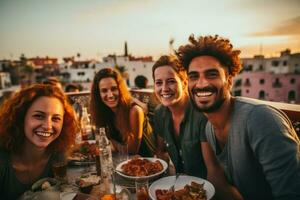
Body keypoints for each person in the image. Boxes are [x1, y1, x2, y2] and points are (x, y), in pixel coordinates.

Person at [177, 34, 300, 199]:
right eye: (193, 76)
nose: (201, 83)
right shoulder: (209, 129)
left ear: (229, 80)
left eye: (211, 74)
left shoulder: (261, 119)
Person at [0, 84, 79, 199]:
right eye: (39, 116)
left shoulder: (58, 155)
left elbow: (63, 193)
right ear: (21, 118)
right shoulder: (2, 161)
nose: (48, 126)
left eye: (56, 118)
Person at [152, 55, 207, 178]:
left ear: (184, 82)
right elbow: (161, 151)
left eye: (171, 81)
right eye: (159, 83)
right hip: (176, 183)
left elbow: (213, 168)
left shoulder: (201, 115)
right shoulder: (159, 113)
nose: (164, 89)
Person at [90, 68, 156, 157]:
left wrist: (111, 142)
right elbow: (99, 137)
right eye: (104, 91)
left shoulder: (134, 111)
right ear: (98, 94)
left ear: (121, 89)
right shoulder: (105, 111)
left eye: (114, 89)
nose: (110, 95)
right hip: (121, 162)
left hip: (146, 164)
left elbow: (132, 150)